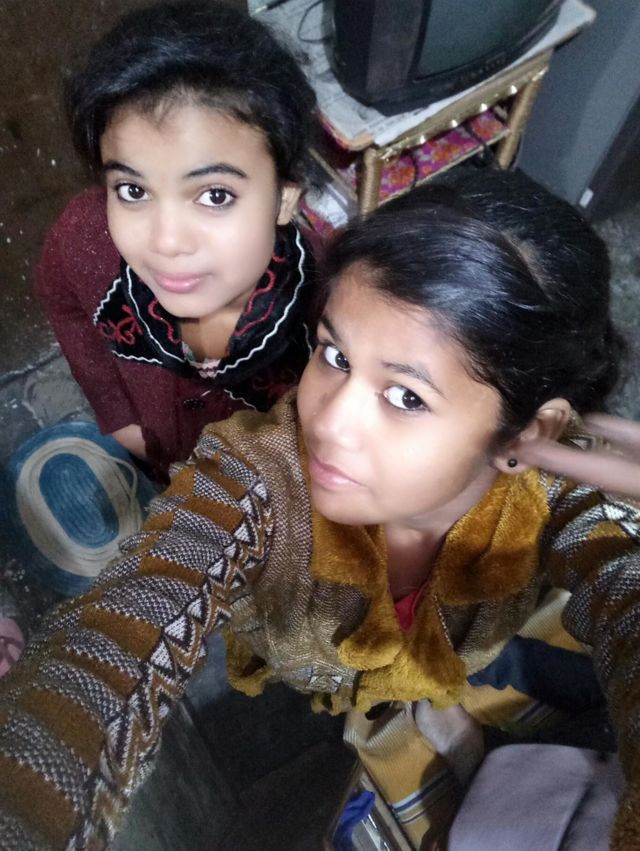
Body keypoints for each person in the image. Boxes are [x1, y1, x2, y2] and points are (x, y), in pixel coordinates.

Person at [2, 171, 639, 849]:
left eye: (406, 397)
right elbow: (116, 637)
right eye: (335, 355)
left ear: (526, 435)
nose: (328, 422)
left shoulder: (564, 493)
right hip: (310, 665)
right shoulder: (253, 475)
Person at [36, 1, 319, 481]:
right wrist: (120, 418)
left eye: (215, 195)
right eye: (133, 191)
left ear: (284, 199)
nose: (166, 243)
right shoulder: (85, 240)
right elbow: (64, 302)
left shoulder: (329, 306)